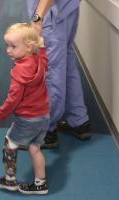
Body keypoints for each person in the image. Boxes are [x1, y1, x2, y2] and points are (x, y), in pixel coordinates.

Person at [0, 23, 50, 195]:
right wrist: (42, 47)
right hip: (44, 116)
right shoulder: (38, 60)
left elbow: (13, 99)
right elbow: (45, 61)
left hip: (27, 118)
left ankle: (10, 180)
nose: (8, 50)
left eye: (13, 46)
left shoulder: (19, 72)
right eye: (7, 45)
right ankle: (40, 183)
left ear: (29, 47)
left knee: (9, 144)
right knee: (34, 148)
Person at [26, 0, 91, 149]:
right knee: (66, 63)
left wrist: (38, 17)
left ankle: (47, 130)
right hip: (66, 9)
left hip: (50, 12)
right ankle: (78, 120)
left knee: (50, 69)